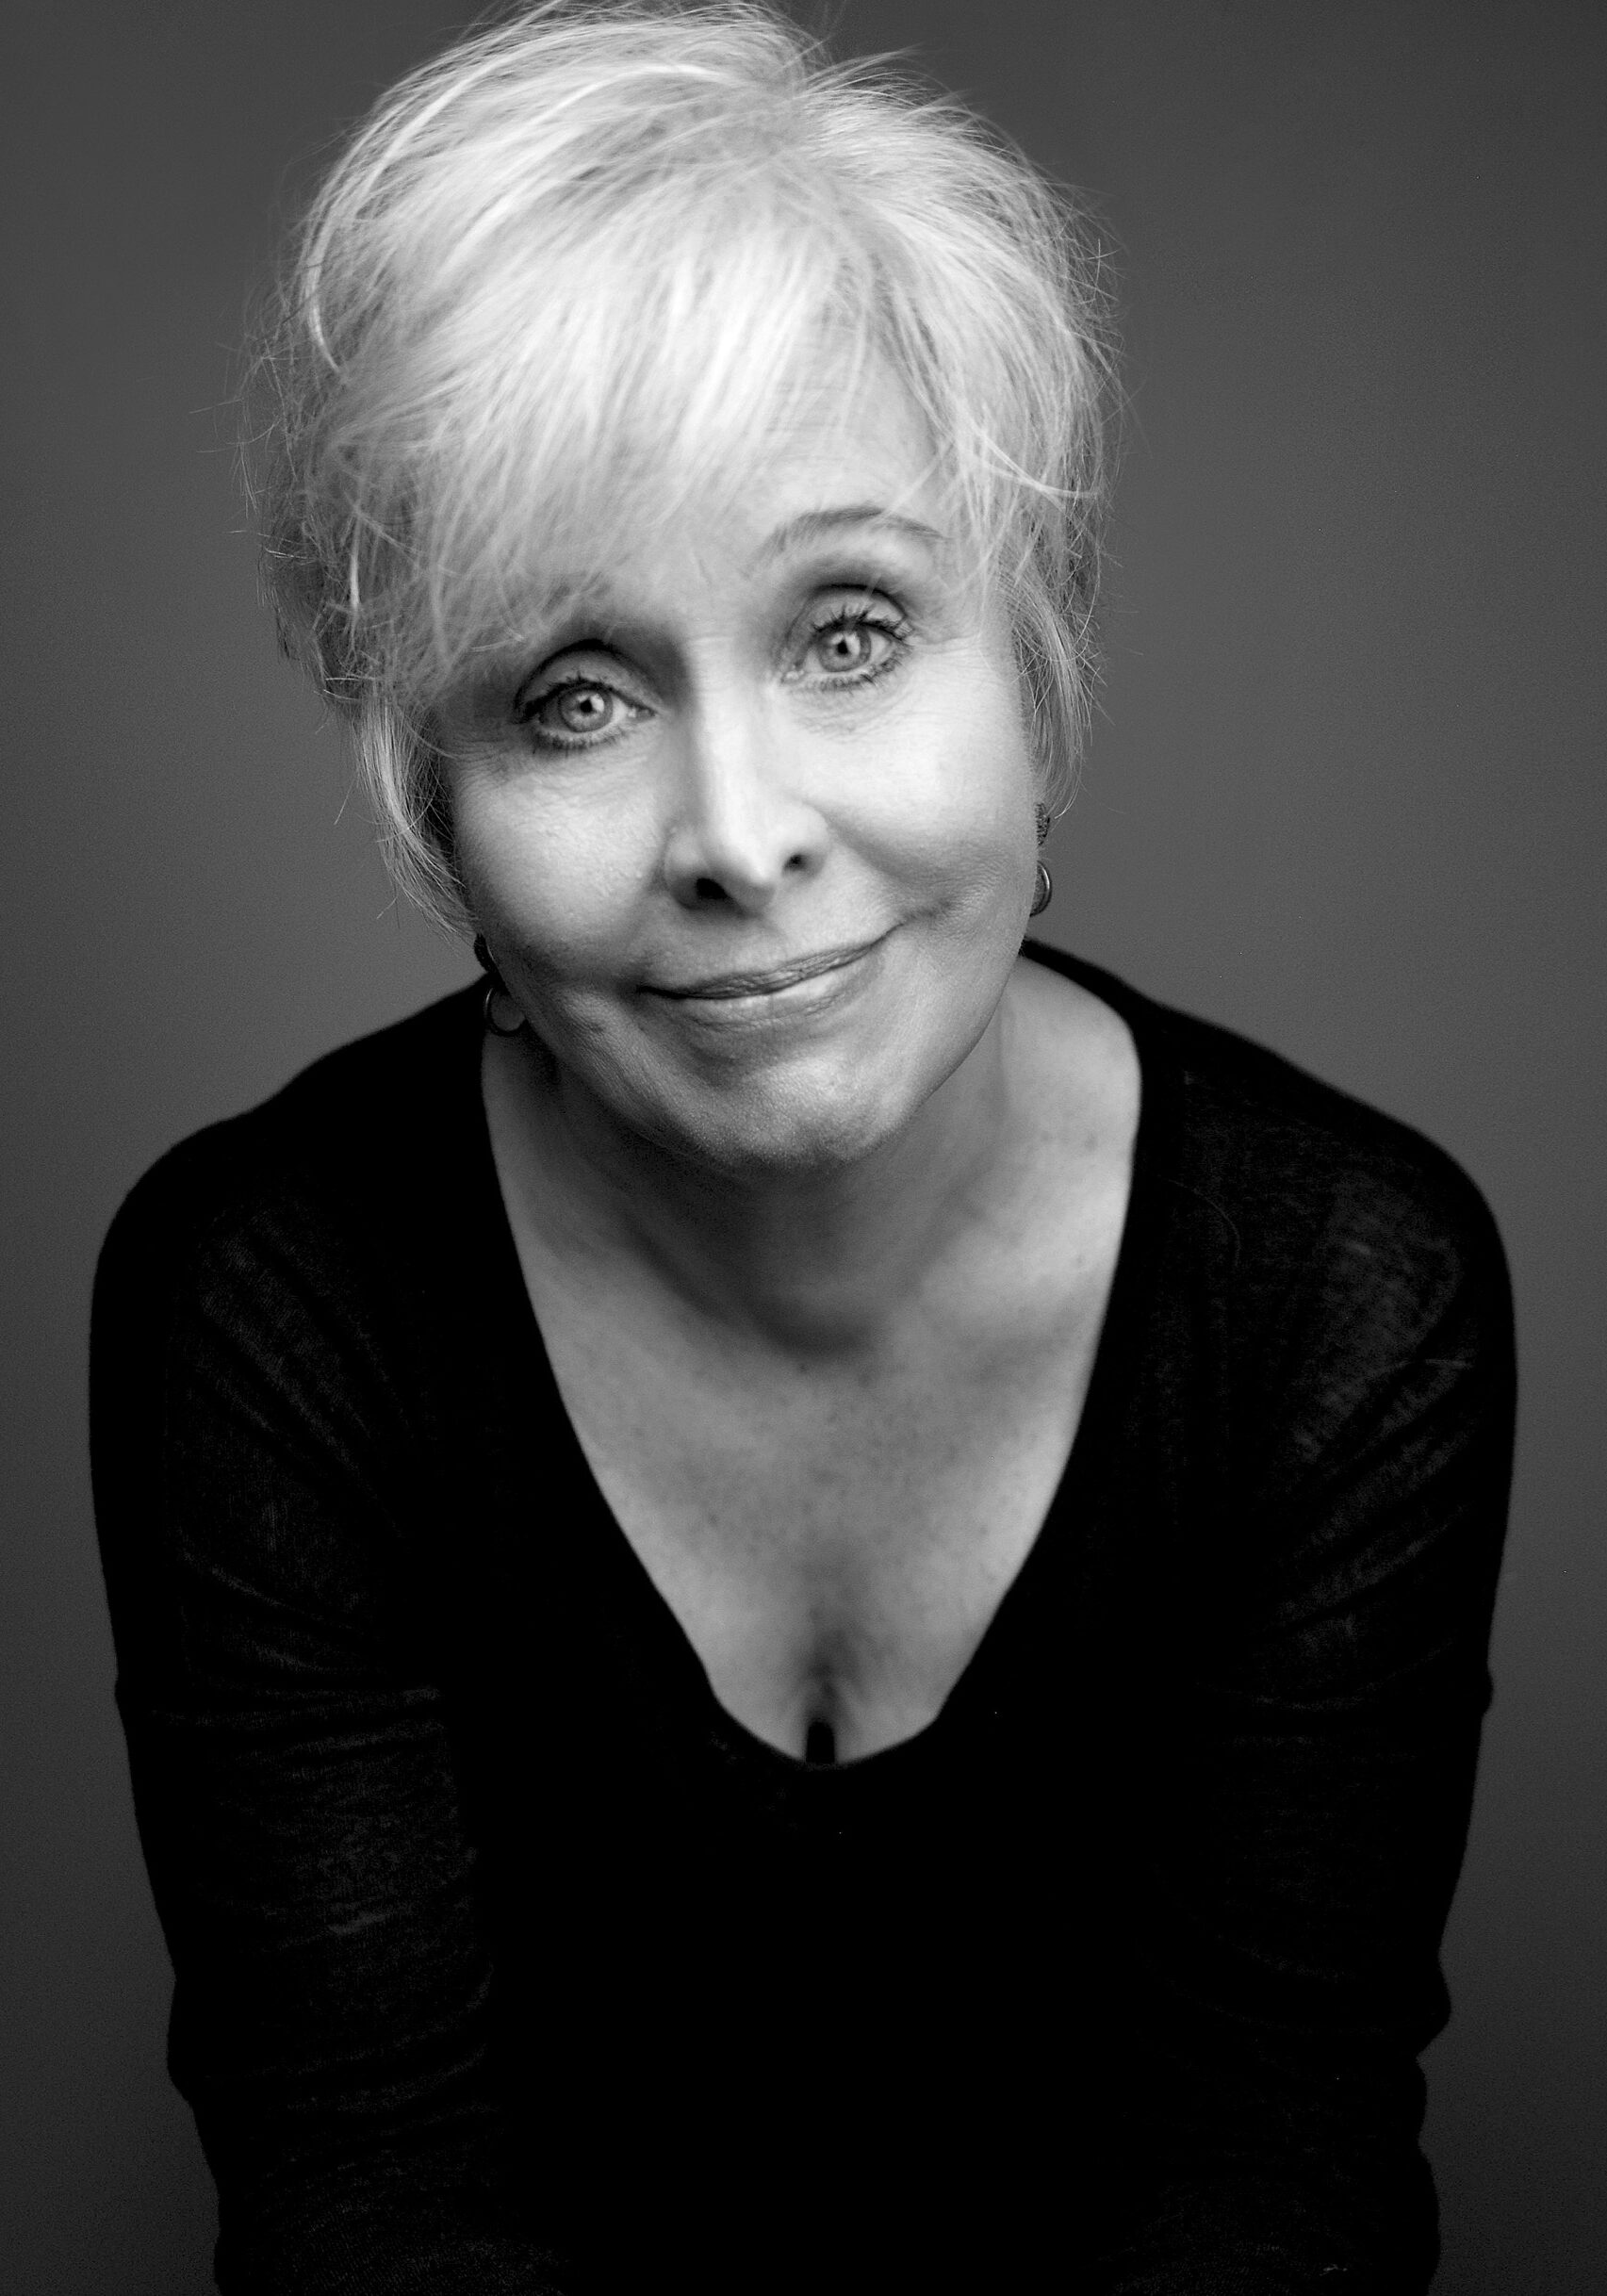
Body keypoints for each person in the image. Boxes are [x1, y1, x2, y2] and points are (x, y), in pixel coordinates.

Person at [90, 4, 1516, 2289]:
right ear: (434, 811)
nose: (739, 835)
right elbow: (365, 2183)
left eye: (850, 628)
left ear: (1032, 673)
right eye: (572, 694)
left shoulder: (1344, 1289)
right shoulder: (274, 1301)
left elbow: (1274, 2159)